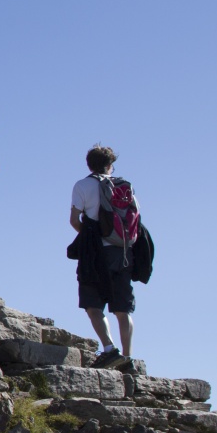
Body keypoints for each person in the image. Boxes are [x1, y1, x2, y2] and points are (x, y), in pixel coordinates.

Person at [70, 144, 136, 361]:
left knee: (93, 304)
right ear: (110, 165)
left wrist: (91, 238)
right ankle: (127, 358)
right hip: (122, 253)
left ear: (89, 164)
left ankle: (110, 349)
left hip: (95, 255)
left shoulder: (82, 185)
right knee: (122, 308)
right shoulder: (124, 187)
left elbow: (74, 220)